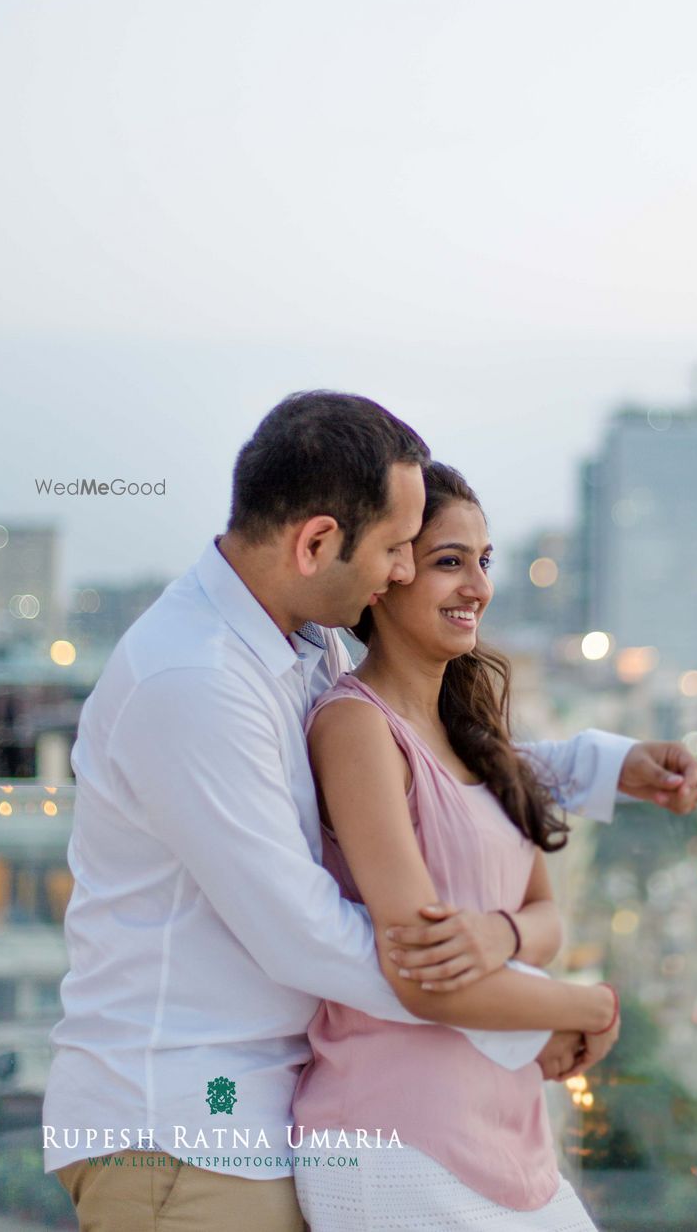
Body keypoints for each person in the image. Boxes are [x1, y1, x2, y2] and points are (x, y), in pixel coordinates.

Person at [43, 391, 697, 1232]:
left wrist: (598, 767)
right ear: (317, 541)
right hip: (181, 1127)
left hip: (257, 1113)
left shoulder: (296, 644)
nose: (401, 570)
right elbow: (307, 933)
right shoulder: (196, 683)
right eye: (398, 548)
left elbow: (427, 773)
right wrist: (530, 1011)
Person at [293, 462, 620, 1229]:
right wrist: (591, 1006)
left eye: (484, 560)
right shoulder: (356, 727)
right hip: (397, 1141)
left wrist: (499, 934)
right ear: (388, 573)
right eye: (449, 562)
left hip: (510, 1140)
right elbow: (422, 975)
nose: (477, 584)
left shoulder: (478, 732)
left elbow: (545, 914)